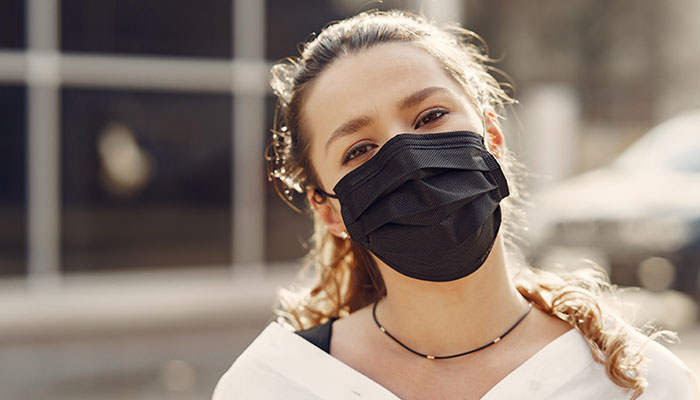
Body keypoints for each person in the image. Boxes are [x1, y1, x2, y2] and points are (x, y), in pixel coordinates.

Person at [213, 9, 699, 400]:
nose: (408, 158)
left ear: (492, 135)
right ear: (329, 211)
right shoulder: (272, 385)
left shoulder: (639, 383)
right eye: (359, 150)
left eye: (430, 116)